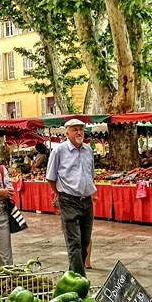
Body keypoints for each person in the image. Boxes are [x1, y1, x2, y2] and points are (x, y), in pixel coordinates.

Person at [47, 118, 96, 276]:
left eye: (81, 129)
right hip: (68, 200)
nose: (79, 132)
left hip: (86, 200)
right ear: (67, 132)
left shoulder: (88, 150)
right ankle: (80, 279)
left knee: (85, 241)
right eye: (75, 129)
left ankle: (72, 275)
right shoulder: (59, 151)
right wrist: (60, 194)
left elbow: (91, 174)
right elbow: (51, 177)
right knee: (74, 242)